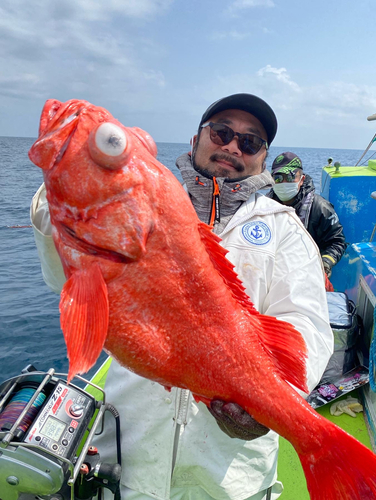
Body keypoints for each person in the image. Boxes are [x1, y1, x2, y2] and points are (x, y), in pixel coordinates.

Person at [30, 94, 333, 500]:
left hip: (231, 481)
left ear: (263, 158)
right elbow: (59, 280)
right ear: (196, 139)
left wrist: (274, 404)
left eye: (250, 142)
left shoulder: (286, 230)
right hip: (129, 461)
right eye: (222, 132)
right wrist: (59, 199)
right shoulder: (143, 196)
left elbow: (306, 325)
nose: (232, 146)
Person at [268, 152, 347, 281]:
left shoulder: (321, 208)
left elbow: (337, 241)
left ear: (301, 179)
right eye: (277, 178)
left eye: (290, 177)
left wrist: (325, 264)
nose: (283, 182)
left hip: (307, 275)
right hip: (272, 274)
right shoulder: (263, 206)